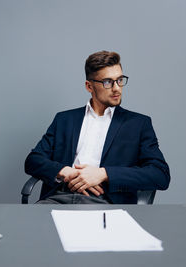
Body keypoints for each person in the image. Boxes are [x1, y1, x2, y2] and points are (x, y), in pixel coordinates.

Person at [24, 51, 170, 204]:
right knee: (24, 226)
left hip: (103, 202)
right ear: (89, 86)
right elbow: (33, 160)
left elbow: (160, 175)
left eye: (120, 80)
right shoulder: (64, 119)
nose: (117, 88)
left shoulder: (138, 124)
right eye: (108, 82)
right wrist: (65, 172)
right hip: (57, 198)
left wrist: (104, 174)